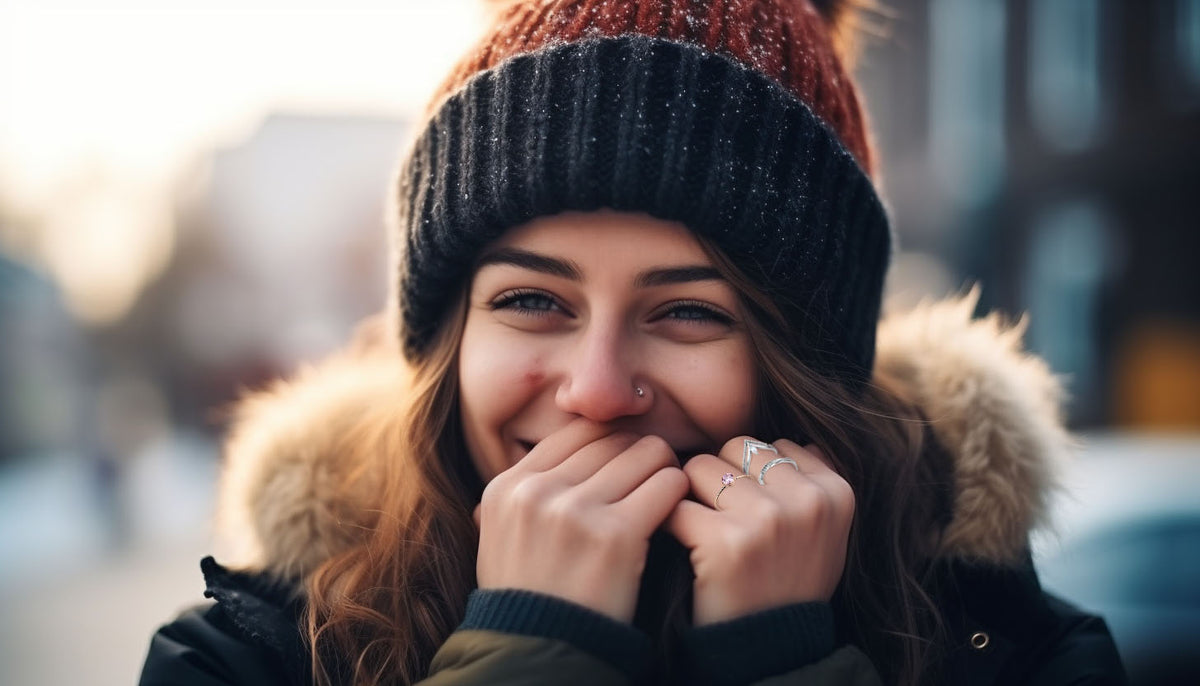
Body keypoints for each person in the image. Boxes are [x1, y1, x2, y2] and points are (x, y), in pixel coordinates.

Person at [139, 1, 1128, 684]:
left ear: (810, 356)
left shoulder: (1016, 652)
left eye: (690, 311)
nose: (598, 389)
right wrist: (529, 651)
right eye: (532, 299)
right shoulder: (248, 655)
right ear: (446, 334)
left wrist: (787, 657)